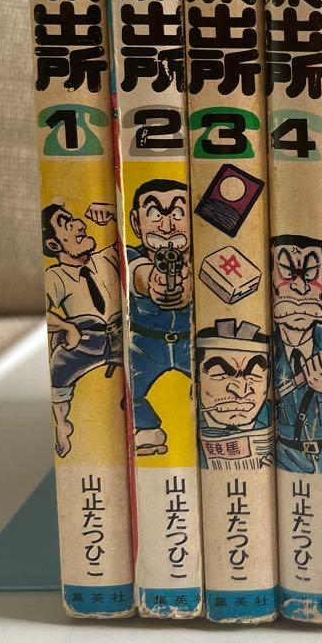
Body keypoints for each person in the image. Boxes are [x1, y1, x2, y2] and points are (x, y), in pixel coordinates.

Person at [42, 201, 123, 458]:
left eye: (74, 219)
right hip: (86, 339)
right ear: (54, 244)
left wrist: (113, 216)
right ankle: (62, 424)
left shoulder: (106, 257)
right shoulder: (56, 276)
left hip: (121, 335)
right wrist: (66, 326)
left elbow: (136, 243)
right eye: (66, 224)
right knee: (59, 368)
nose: (80, 225)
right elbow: (45, 312)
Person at [126, 178, 193, 455]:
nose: (167, 226)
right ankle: (146, 429)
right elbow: (138, 273)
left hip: (190, 344)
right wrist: (153, 281)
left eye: (178, 213)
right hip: (145, 346)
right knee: (124, 389)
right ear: (136, 222)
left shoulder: (201, 257)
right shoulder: (131, 255)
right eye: (154, 213)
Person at [270, 235, 322, 475]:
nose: (300, 287)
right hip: (285, 462)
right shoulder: (263, 352)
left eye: (311, 274)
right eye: (286, 273)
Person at [195, 319, 272, 470]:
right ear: (197, 378)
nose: (241, 392)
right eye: (221, 375)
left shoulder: (278, 417)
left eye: (254, 376)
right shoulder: (187, 421)